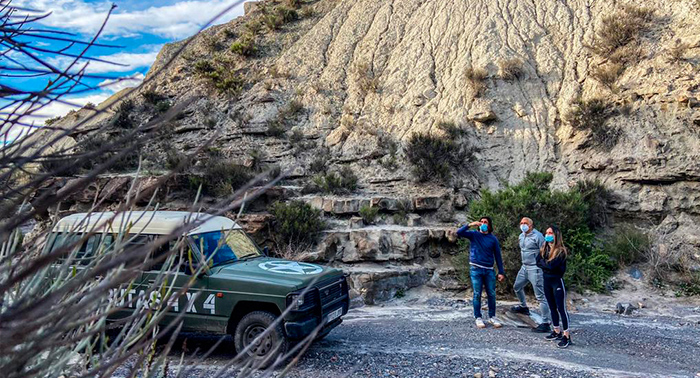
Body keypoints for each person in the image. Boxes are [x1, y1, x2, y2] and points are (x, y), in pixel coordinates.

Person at [456, 217, 505, 329]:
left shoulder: (493, 239)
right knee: (477, 293)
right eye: (481, 222)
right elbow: (459, 232)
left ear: (489, 225)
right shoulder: (474, 234)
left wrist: (501, 272)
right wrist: (470, 224)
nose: (483, 224)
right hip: (476, 268)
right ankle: (478, 317)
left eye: (485, 222)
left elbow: (498, 256)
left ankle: (492, 316)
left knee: (491, 293)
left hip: (489, 269)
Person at [511, 217, 551, 333]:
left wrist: (542, 265)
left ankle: (545, 322)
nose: (523, 225)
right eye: (521, 223)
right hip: (524, 267)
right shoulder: (521, 236)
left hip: (535, 268)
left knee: (540, 296)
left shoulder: (538, 236)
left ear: (531, 225)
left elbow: (546, 251)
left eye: (525, 223)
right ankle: (524, 307)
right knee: (517, 286)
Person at [536, 226, 572, 348]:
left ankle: (566, 335)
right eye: (546, 232)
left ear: (556, 235)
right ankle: (556, 330)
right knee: (552, 307)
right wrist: (546, 264)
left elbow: (552, 266)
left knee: (561, 309)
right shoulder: (544, 248)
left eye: (550, 233)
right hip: (546, 280)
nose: (547, 235)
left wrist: (545, 264)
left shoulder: (561, 251)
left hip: (557, 281)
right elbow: (538, 261)